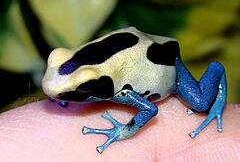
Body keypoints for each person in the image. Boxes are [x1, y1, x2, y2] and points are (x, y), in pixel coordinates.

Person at [0, 96, 239, 161]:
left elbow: (150, 109)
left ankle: (217, 106)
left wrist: (122, 131)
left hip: (168, 69)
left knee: (199, 103)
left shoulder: (123, 93)